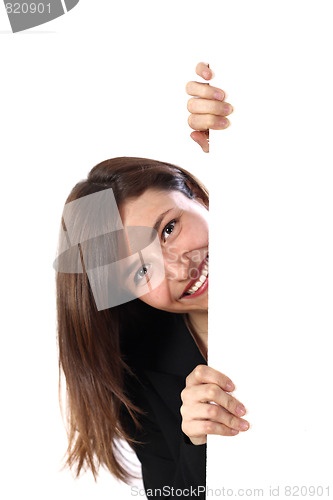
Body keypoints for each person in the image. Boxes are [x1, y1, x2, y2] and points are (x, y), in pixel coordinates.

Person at [54, 63, 249, 499]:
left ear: (197, 196)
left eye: (168, 229)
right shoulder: (140, 376)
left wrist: (249, 138)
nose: (180, 267)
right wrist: (197, 443)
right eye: (141, 271)